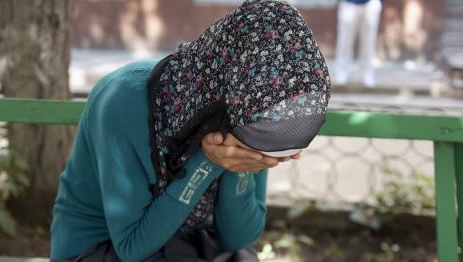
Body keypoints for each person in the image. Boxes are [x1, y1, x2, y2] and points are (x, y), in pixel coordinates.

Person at [50, 0, 331, 261]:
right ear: (229, 81)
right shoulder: (123, 101)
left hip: (191, 245)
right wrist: (209, 161)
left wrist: (241, 165)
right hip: (100, 249)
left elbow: (239, 238)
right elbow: (132, 248)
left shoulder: (258, 108)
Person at [333, 0, 382, 87]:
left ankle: (367, 74)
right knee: (344, 41)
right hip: (348, 3)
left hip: (371, 4)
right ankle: (342, 72)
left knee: (369, 41)